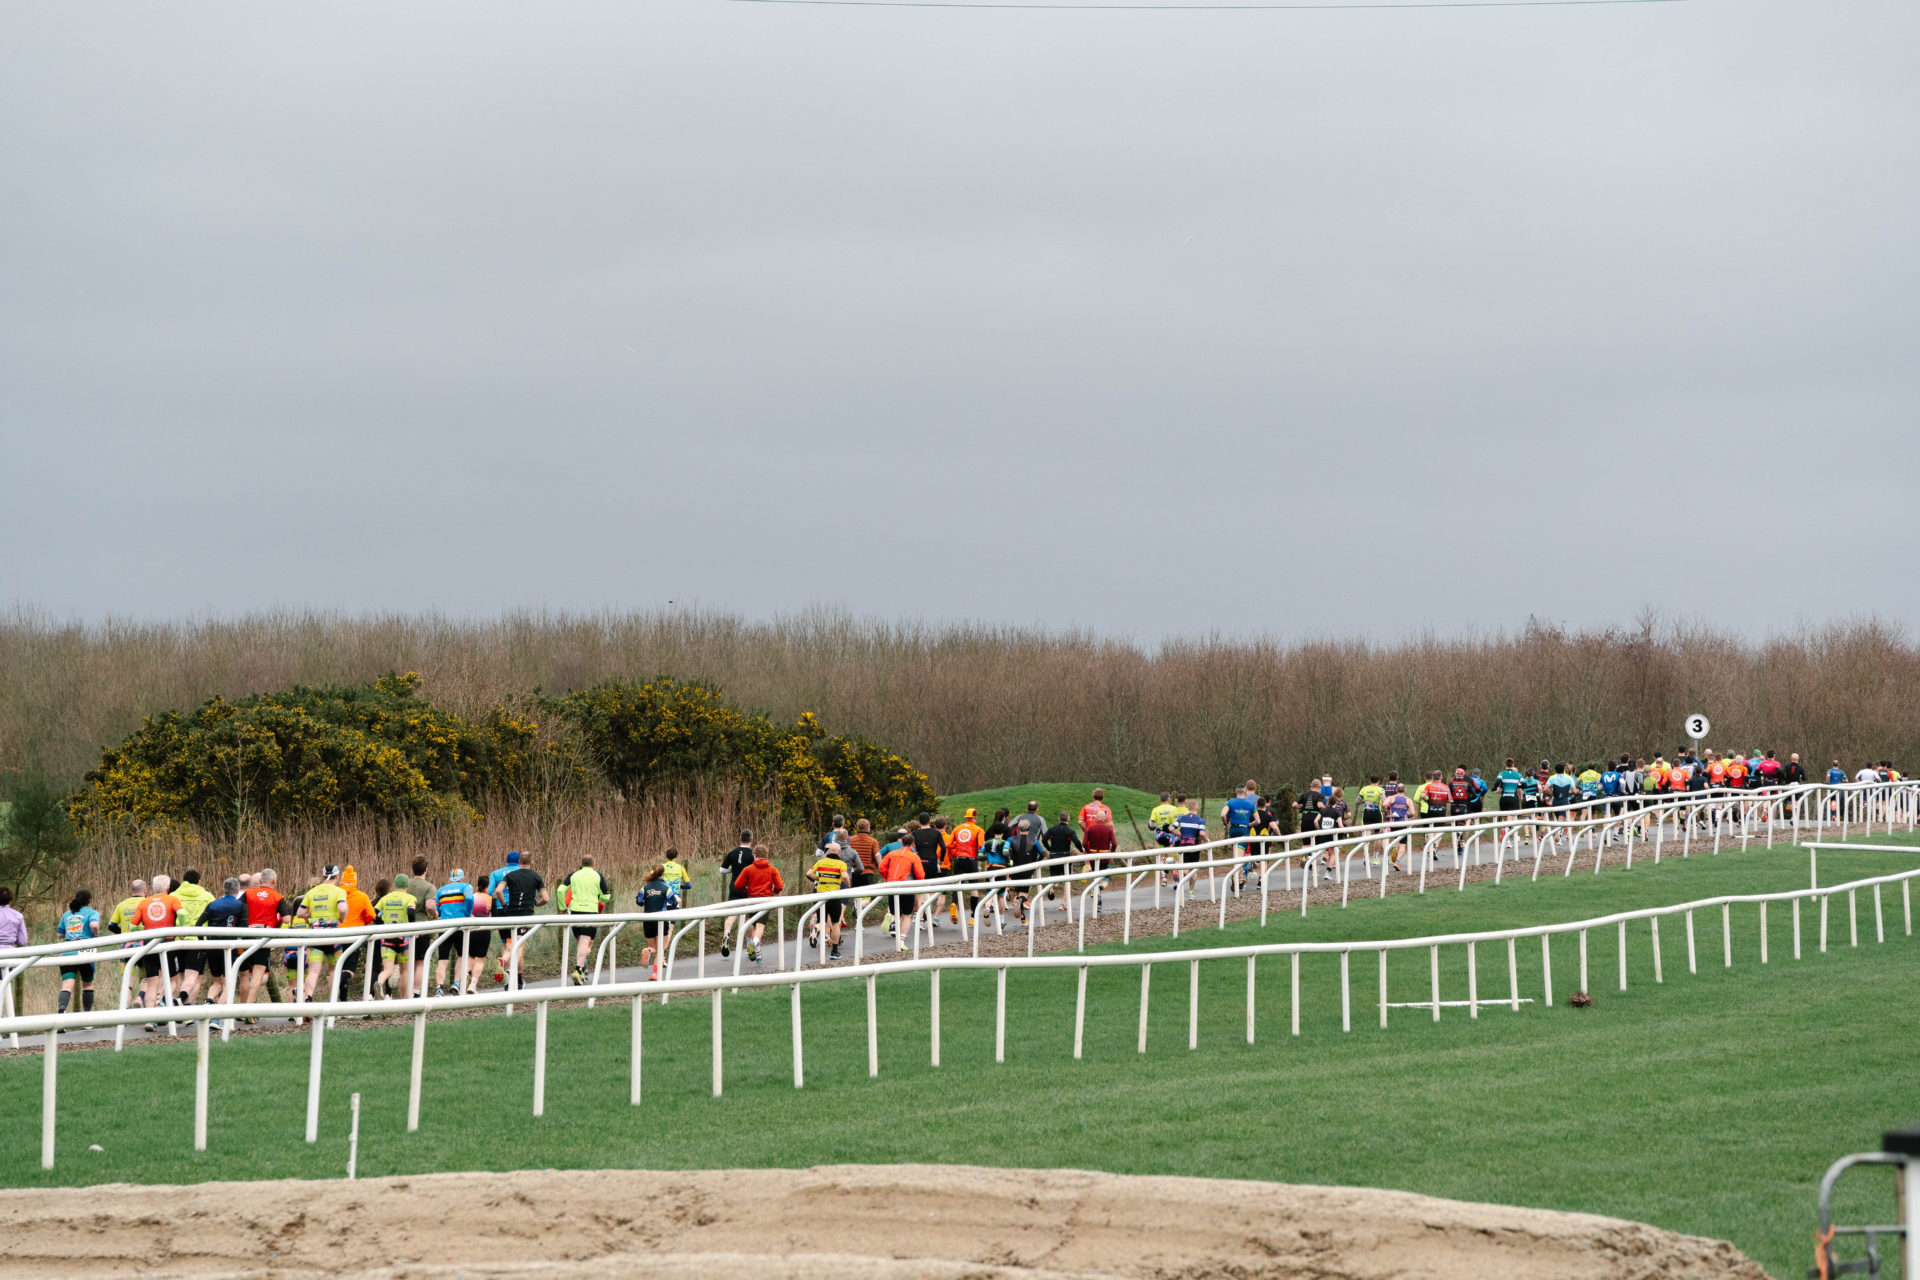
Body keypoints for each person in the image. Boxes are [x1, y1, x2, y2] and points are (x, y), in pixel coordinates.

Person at [294, 866, 348, 1003]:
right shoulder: (339, 891)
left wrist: (315, 914)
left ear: (323, 876)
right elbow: (342, 908)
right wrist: (342, 918)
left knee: (313, 971)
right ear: (337, 876)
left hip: (316, 934)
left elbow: (299, 913)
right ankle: (332, 1003)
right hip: (333, 935)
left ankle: (308, 998)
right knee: (334, 971)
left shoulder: (312, 892)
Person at [133, 875, 183, 1024]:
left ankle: (150, 1019)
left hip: (149, 945)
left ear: (153, 888)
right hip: (167, 943)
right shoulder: (172, 899)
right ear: (168, 888)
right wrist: (181, 931)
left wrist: (143, 931)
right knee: (172, 979)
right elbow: (182, 914)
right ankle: (163, 1001)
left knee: (152, 982)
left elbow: (133, 925)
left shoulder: (144, 902)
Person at [494, 851, 548, 987]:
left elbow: (498, 891)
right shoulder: (536, 877)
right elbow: (546, 898)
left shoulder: (510, 875)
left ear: (519, 863)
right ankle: (511, 973)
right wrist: (536, 903)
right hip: (526, 914)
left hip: (511, 914)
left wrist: (505, 904)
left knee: (511, 944)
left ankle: (504, 960)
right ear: (531, 863)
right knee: (519, 947)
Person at [559, 854, 611, 984]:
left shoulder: (573, 875)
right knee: (584, 944)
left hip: (575, 911)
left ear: (581, 864)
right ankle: (578, 969)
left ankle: (582, 971)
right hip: (590, 912)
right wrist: (597, 899)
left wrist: (563, 908)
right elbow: (606, 896)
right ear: (593, 864)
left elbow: (560, 890)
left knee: (582, 944)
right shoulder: (598, 875)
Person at [730, 844, 784, 962]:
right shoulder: (772, 869)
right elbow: (780, 886)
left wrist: (746, 889)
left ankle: (755, 951)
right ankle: (754, 945)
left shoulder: (748, 869)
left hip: (752, 900)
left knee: (751, 924)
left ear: (754, 855)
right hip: (765, 900)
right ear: (766, 855)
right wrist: (774, 892)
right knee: (760, 926)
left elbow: (738, 884)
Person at [199, 878, 247, 1006]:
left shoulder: (213, 904)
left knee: (216, 982)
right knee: (228, 983)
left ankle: (208, 1002)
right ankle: (217, 1017)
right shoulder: (241, 906)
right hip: (229, 947)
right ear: (238, 890)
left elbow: (198, 925)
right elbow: (244, 930)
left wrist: (203, 944)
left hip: (212, 946)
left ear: (223, 890)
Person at [171, 868, 215, 1005]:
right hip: (198, 940)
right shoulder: (207, 896)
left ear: (183, 880)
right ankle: (182, 1003)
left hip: (178, 939)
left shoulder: (173, 895)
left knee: (180, 977)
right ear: (199, 882)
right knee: (194, 977)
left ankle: (181, 1013)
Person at [240, 870, 283, 1008]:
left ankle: (242, 1007)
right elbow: (286, 918)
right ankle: (249, 1008)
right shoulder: (277, 896)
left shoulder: (247, 894)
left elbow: (237, 909)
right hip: (263, 936)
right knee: (259, 973)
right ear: (274, 881)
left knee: (245, 975)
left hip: (247, 934)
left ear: (259, 882)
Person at [373, 875, 422, 997]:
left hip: (387, 937)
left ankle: (379, 983)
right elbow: (411, 911)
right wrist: (413, 929)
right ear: (407, 885)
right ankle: (403, 999)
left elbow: (373, 913)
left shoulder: (386, 898)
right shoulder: (410, 898)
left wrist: (382, 925)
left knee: (387, 970)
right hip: (403, 938)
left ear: (395, 885)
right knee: (404, 970)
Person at [432, 869, 478, 995]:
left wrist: (443, 915)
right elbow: (469, 898)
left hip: (444, 926)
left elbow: (437, 910)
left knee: (443, 960)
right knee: (462, 956)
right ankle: (456, 983)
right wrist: (468, 914)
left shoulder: (440, 890)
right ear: (462, 878)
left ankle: (439, 988)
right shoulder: (466, 886)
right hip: (460, 926)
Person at [804, 842, 852, 959]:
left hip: (820, 895)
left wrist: (819, 878)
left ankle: (816, 928)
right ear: (839, 853)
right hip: (834, 896)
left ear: (829, 852)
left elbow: (809, 873)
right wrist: (848, 887)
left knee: (822, 921)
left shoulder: (820, 862)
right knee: (835, 923)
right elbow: (845, 876)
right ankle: (835, 952)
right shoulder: (841, 864)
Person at [55, 890, 100, 1014]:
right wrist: (96, 935)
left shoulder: (67, 914)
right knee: (88, 985)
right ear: (90, 901)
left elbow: (60, 934)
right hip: (85, 952)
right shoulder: (92, 912)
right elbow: (94, 925)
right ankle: (86, 1017)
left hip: (67, 953)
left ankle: (61, 1015)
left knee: (67, 986)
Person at [877, 838, 925, 947]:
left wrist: (887, 877)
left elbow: (881, 868)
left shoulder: (891, 854)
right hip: (907, 887)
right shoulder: (914, 857)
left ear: (902, 843)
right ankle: (901, 941)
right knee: (907, 915)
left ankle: (891, 917)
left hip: (892, 885)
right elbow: (921, 875)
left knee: (895, 912)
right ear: (913, 844)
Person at [718, 831, 758, 959]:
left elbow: (722, 870)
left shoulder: (732, 852)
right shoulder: (753, 855)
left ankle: (727, 933)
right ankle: (750, 949)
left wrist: (733, 870)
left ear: (739, 838)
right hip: (747, 888)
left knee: (732, 915)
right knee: (748, 919)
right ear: (751, 839)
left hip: (734, 887)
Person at [636, 866, 674, 979]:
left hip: (648, 921)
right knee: (661, 949)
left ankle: (648, 950)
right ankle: (654, 973)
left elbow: (639, 901)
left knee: (654, 948)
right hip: (661, 920)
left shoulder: (645, 887)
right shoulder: (666, 887)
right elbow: (672, 902)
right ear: (663, 874)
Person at [0, 887, 25, 1021]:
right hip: (9, 954)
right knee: (3, 987)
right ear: (10, 900)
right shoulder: (18, 916)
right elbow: (22, 941)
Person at [1080, 788, 1118, 876]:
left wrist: (1086, 832)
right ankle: (1100, 882)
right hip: (1103, 842)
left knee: (1090, 862)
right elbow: (1110, 824)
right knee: (1103, 868)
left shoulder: (1086, 807)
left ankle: (1089, 875)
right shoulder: (1106, 809)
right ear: (1103, 797)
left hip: (1090, 839)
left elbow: (1080, 822)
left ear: (1093, 797)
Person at [660, 848, 692, 913]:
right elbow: (688, 885)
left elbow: (650, 878)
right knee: (672, 922)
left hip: (662, 898)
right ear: (677, 856)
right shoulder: (681, 868)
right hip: (675, 899)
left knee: (662, 922)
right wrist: (678, 885)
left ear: (666, 856)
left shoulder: (661, 867)